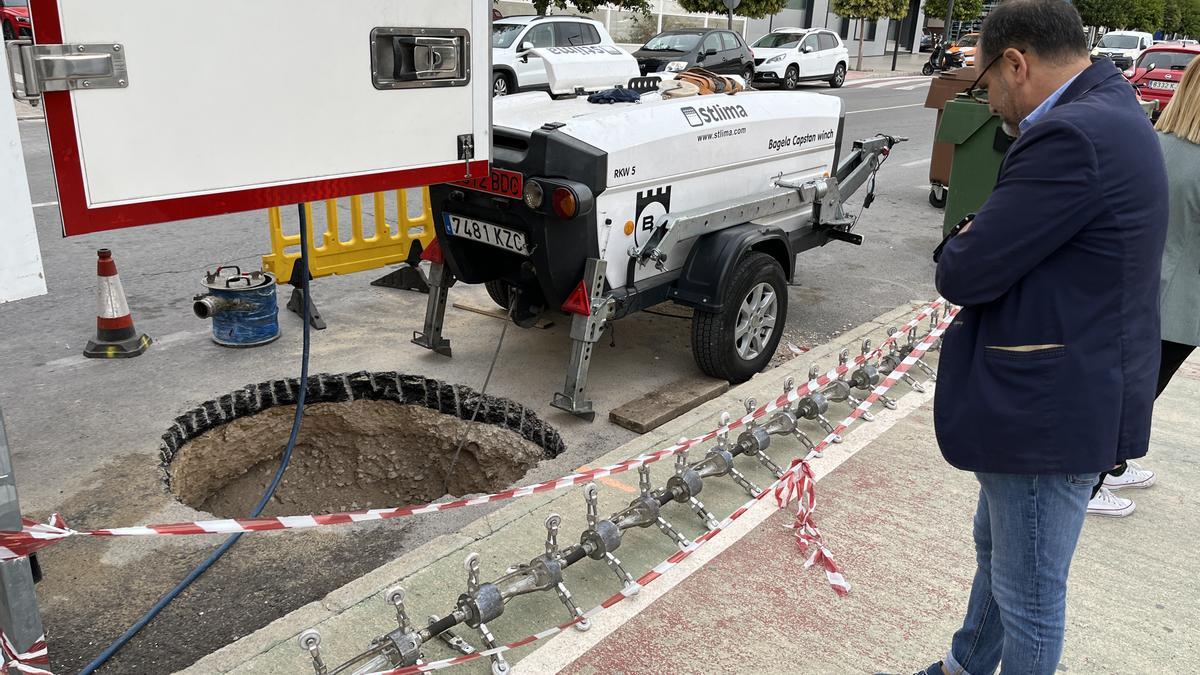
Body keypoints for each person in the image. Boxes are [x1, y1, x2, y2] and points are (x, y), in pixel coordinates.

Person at [884, 1, 1169, 673]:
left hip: (1050, 407)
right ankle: (965, 664)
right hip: (1077, 384)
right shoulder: (1113, 108)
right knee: (1000, 551)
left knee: (1029, 591)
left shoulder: (1071, 135)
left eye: (987, 83)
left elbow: (967, 268)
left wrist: (965, 236)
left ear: (1017, 62)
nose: (990, 99)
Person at [1087, 55, 1200, 517]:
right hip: (1181, 300)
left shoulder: (1158, 142)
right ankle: (1091, 480)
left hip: (1140, 285)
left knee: (1128, 387)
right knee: (1136, 393)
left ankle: (1109, 465)